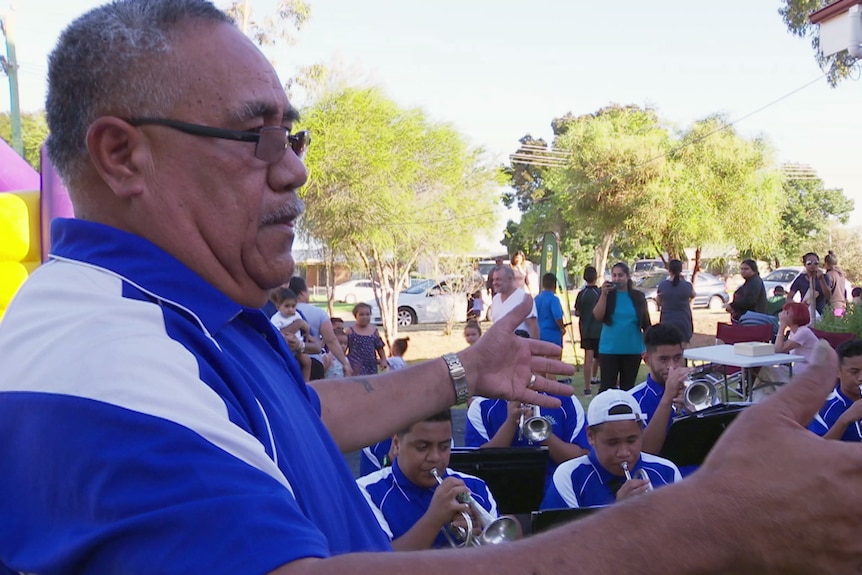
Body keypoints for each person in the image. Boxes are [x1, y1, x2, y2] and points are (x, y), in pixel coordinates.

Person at [5, 2, 862, 573]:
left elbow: (291, 417)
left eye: (291, 133)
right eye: (253, 135)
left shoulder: (183, 312)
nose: (294, 167)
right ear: (123, 155)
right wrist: (708, 527)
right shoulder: (99, 354)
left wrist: (462, 373)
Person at [356, 410, 499, 550]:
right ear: (396, 444)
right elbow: (376, 564)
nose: (435, 457)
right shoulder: (366, 492)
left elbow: (501, 551)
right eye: (422, 447)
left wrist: (479, 537)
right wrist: (434, 520)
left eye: (444, 447)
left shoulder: (475, 487)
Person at [540, 389, 681, 509]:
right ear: (590, 436)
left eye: (632, 440)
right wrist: (616, 512)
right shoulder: (569, 476)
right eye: (612, 443)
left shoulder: (667, 471)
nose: (624, 453)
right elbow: (562, 538)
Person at [465, 392, 589, 488]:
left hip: (555, 493)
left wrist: (543, 433)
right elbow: (476, 464)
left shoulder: (566, 400)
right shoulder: (481, 405)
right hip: (499, 497)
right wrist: (511, 422)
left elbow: (582, 458)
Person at [630, 324, 694, 457]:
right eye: (664, 359)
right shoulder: (632, 400)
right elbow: (646, 452)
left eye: (677, 358)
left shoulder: (698, 390)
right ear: (647, 359)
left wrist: (693, 410)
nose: (672, 366)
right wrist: (667, 397)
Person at [593, 262, 651, 392]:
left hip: (632, 349)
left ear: (628, 277)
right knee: (607, 388)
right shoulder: (607, 295)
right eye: (614, 275)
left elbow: (646, 324)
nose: (617, 279)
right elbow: (597, 316)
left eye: (620, 275)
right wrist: (603, 294)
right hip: (609, 349)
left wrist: (649, 347)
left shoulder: (638, 297)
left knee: (628, 389)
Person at [289, 276, 353, 379]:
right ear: (302, 293)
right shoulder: (318, 313)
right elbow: (331, 340)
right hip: (314, 363)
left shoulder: (281, 312)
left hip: (289, 361)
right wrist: (345, 363)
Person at [809, 339, 862, 442]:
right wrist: (844, 420)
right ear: (837, 371)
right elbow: (817, 451)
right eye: (854, 372)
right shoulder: (822, 408)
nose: (861, 378)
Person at [270, 286, 312, 381]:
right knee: (290, 365)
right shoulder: (276, 318)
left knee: (307, 361)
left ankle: (306, 383)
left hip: (298, 346)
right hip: (284, 347)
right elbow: (275, 333)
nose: (290, 309)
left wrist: (307, 334)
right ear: (278, 306)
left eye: (293, 306)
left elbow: (305, 327)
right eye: (287, 306)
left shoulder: (297, 315)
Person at [574, 265, 602, 395]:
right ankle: (598, 379)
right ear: (596, 277)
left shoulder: (581, 294)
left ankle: (587, 388)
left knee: (588, 359)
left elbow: (577, 312)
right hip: (600, 330)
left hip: (585, 330)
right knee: (601, 358)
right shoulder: (600, 293)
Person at [490, 266, 538, 339]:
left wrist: (534, 348)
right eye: (493, 280)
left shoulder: (524, 298)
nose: (494, 283)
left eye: (498, 279)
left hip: (519, 346)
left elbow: (533, 327)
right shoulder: (495, 299)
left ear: (510, 279)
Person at [773, 302, 819, 376]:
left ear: (796, 315)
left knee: (767, 372)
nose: (782, 315)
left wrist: (782, 326)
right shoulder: (793, 332)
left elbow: (778, 349)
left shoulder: (803, 332)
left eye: (787, 313)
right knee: (766, 371)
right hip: (799, 370)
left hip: (807, 373)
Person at [656, 259, 694, 344]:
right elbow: (693, 295)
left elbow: (659, 303)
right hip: (684, 321)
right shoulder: (687, 286)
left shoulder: (663, 285)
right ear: (681, 270)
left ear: (669, 270)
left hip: (667, 321)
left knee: (668, 349)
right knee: (682, 351)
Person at [346, 302, 389, 375]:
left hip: (371, 365)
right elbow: (343, 348)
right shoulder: (350, 331)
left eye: (367, 314)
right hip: (355, 365)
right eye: (361, 315)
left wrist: (383, 360)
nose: (365, 317)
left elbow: (379, 347)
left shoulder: (374, 331)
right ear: (355, 316)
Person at [787, 252, 832, 321]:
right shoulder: (800, 279)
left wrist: (821, 279)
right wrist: (799, 305)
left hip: (821, 314)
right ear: (805, 265)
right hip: (805, 314)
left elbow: (828, 296)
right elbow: (789, 298)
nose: (812, 266)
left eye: (816, 263)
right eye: (809, 263)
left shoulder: (824, 277)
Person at [725, 259, 767, 323]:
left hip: (753, 320)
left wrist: (732, 306)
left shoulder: (755, 282)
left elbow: (749, 300)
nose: (743, 271)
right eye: (741, 269)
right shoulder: (749, 282)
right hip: (748, 318)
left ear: (754, 270)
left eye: (746, 269)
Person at [534, 272, 566, 348]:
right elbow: (557, 315)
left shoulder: (536, 299)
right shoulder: (554, 299)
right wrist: (562, 328)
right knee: (554, 358)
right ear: (554, 285)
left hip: (539, 334)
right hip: (552, 335)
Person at [824, 250, 847, 317]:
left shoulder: (829, 275)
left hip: (833, 305)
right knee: (839, 325)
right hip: (842, 305)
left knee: (833, 326)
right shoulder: (841, 274)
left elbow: (827, 291)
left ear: (826, 263)